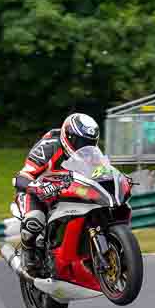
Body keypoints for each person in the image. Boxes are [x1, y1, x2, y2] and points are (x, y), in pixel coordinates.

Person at [13, 113, 101, 273]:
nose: (84, 148)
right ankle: (28, 253)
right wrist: (37, 187)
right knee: (35, 219)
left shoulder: (92, 153)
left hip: (70, 191)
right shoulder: (49, 147)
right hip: (37, 192)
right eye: (80, 142)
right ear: (68, 136)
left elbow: (102, 172)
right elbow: (22, 176)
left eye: (89, 143)